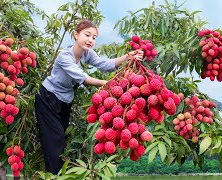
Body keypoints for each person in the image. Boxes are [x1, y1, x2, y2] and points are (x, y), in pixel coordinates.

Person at [34, 19, 144, 174]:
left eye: (94, 37)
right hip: (48, 97)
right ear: (76, 35)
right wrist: (109, 85)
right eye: (87, 35)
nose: (90, 40)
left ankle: (59, 173)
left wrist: (128, 57)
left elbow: (105, 64)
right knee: (55, 138)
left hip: (65, 100)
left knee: (59, 139)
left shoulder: (87, 54)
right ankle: (54, 176)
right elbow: (83, 78)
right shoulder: (65, 56)